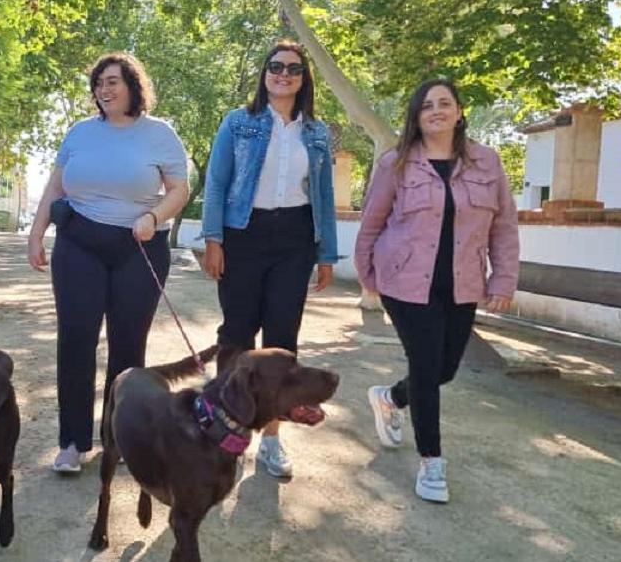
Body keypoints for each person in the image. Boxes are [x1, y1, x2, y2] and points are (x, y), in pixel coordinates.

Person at [355, 78, 518, 503]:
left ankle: (390, 397)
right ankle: (432, 463)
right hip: (405, 283)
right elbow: (372, 222)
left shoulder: (487, 163)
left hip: (461, 284)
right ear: (416, 116)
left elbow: (504, 227)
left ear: (460, 111)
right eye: (427, 106)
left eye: (445, 103)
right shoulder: (397, 163)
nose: (436, 111)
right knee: (427, 366)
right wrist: (367, 275)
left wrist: (502, 279)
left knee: (444, 370)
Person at [27, 52, 190, 473]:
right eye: (99, 83)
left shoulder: (160, 134)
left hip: (139, 246)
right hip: (79, 243)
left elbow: (179, 190)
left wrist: (153, 218)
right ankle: (72, 442)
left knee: (128, 346)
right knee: (76, 339)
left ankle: (117, 438)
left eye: (113, 81)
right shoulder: (80, 132)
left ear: (134, 86)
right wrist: (35, 233)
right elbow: (54, 186)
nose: (104, 89)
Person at [199, 40, 339, 479]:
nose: (283, 74)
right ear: (264, 73)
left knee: (283, 337)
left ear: (303, 79)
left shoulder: (316, 132)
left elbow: (325, 197)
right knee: (237, 333)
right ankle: (226, 431)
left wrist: (326, 254)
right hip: (243, 233)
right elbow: (217, 182)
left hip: (295, 238)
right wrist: (214, 239)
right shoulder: (239, 123)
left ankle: (272, 439)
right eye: (275, 67)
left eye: (293, 69)